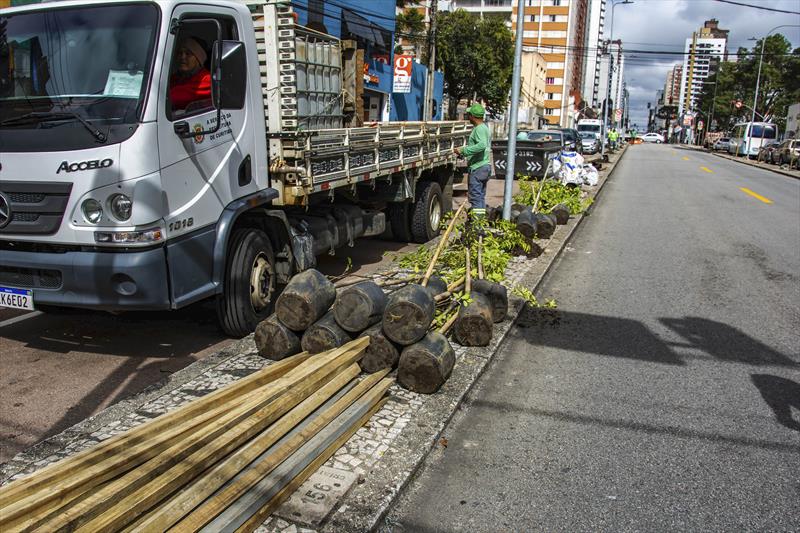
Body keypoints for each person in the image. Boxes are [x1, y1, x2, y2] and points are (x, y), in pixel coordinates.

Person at [456, 103, 491, 220]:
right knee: (480, 197)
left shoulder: (479, 129)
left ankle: (476, 226)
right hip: (484, 167)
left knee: (476, 198)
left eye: (468, 114)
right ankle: (480, 223)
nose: (467, 116)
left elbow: (481, 145)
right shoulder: (485, 128)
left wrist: (464, 150)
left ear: (472, 116)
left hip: (478, 168)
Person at [169, 37, 212, 113]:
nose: (183, 57)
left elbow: (173, 96)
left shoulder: (207, 79)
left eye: (188, 54)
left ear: (198, 59)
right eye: (180, 53)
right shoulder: (175, 78)